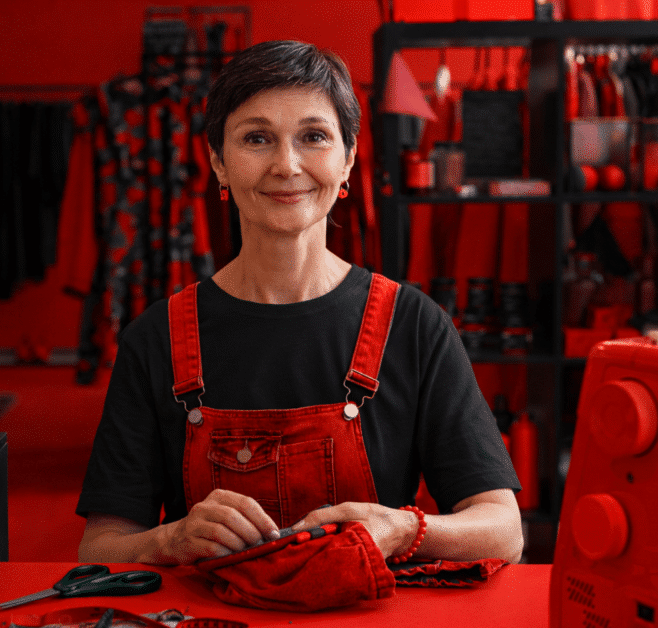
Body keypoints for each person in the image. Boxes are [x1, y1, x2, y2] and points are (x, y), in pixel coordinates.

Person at [76, 40, 523, 566]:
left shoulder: (413, 326)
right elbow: (99, 548)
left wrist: (403, 528)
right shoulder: (157, 338)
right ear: (218, 161)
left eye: (313, 137)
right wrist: (168, 541)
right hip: (208, 620)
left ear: (348, 158)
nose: (286, 165)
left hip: (369, 618)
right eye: (257, 139)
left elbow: (503, 531)